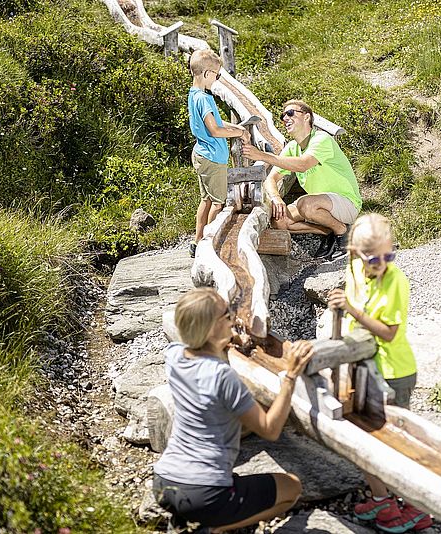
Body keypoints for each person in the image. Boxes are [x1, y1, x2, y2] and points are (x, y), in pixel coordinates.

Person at [153, 287, 314, 533]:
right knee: (291, 488)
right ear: (209, 329)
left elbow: (204, 355)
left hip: (163, 483)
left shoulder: (174, 355)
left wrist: (226, 339)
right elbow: (270, 430)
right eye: (226, 314)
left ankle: (189, 517)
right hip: (204, 494)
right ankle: (213, 529)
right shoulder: (222, 376)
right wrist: (290, 376)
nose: (233, 316)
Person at [327, 213, 433, 533]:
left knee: (395, 444)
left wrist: (351, 309)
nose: (383, 263)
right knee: (363, 438)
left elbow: (388, 332)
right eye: (375, 258)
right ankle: (381, 499)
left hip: (393, 373)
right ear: (355, 253)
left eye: (390, 255)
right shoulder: (354, 268)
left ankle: (417, 506)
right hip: (363, 366)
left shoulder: (395, 280)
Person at [242, 99, 362, 261]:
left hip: (346, 203)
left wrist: (263, 156)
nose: (285, 118)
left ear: (307, 117)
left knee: (305, 204)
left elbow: (303, 164)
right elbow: (271, 179)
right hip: (319, 205)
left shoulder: (321, 139)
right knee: (280, 221)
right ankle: (327, 230)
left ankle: (342, 232)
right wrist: (276, 199)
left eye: (290, 113)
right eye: (283, 115)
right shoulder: (292, 147)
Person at [187, 49, 250, 258]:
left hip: (201, 154)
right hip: (213, 158)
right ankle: (209, 244)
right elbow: (214, 130)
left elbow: (213, 123)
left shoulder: (194, 95)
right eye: (216, 74)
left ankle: (197, 242)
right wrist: (239, 131)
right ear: (206, 74)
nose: (217, 78)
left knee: (205, 200)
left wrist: (235, 128)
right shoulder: (205, 99)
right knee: (217, 203)